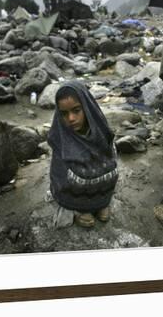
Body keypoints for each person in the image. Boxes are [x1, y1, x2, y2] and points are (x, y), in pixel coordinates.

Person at [46, 80, 119, 228]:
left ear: (86, 107)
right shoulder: (60, 135)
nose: (71, 118)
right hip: (74, 192)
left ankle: (101, 201)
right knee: (75, 177)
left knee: (109, 168)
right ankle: (80, 208)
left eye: (76, 110)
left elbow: (109, 156)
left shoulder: (99, 129)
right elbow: (59, 174)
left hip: (101, 187)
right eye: (64, 114)